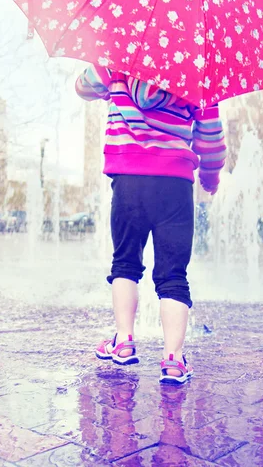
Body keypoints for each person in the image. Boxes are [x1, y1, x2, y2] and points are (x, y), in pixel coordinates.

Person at [75, 66, 226, 384]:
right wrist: (210, 179)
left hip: (128, 179)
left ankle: (124, 339)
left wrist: (108, 75)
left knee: (125, 263)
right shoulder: (198, 74)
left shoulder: (118, 61)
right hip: (176, 184)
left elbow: (83, 87)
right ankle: (173, 359)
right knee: (173, 273)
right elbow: (211, 142)